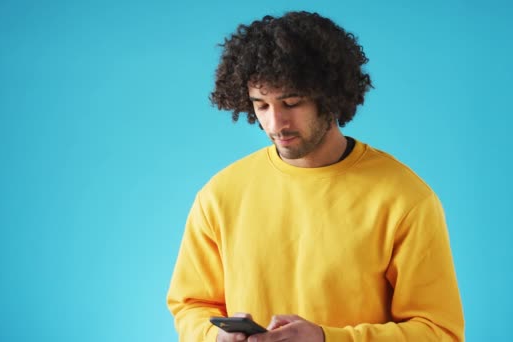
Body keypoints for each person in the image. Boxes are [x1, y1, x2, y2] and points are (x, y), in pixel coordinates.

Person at [167, 11, 464, 342]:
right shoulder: (220, 195)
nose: (275, 124)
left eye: (292, 102)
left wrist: (327, 339)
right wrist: (214, 336)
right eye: (261, 105)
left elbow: (439, 331)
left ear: (329, 95)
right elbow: (190, 305)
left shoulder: (405, 199)